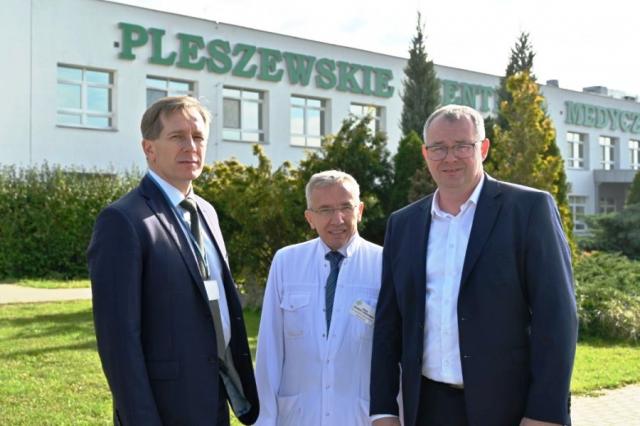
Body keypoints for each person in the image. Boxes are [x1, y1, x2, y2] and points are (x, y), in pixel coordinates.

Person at [370, 104, 578, 426]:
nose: (449, 157)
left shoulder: (528, 210)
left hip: (510, 409)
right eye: (439, 148)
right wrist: (383, 410)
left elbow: (557, 317)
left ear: (483, 148)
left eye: (462, 146)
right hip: (428, 408)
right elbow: (388, 323)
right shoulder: (403, 224)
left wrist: (544, 414)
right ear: (425, 153)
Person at [88, 96, 259, 425]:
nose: (190, 147)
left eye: (198, 137)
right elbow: (118, 342)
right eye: (177, 136)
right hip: (163, 408)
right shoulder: (122, 220)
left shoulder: (206, 212)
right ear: (149, 148)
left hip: (214, 397)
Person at [255, 170, 383, 426]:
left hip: (360, 417)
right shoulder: (286, 262)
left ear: (359, 210)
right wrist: (265, 420)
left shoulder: (384, 264)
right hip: (298, 416)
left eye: (345, 207)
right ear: (310, 218)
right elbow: (270, 348)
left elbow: (396, 354)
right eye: (325, 210)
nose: (337, 219)